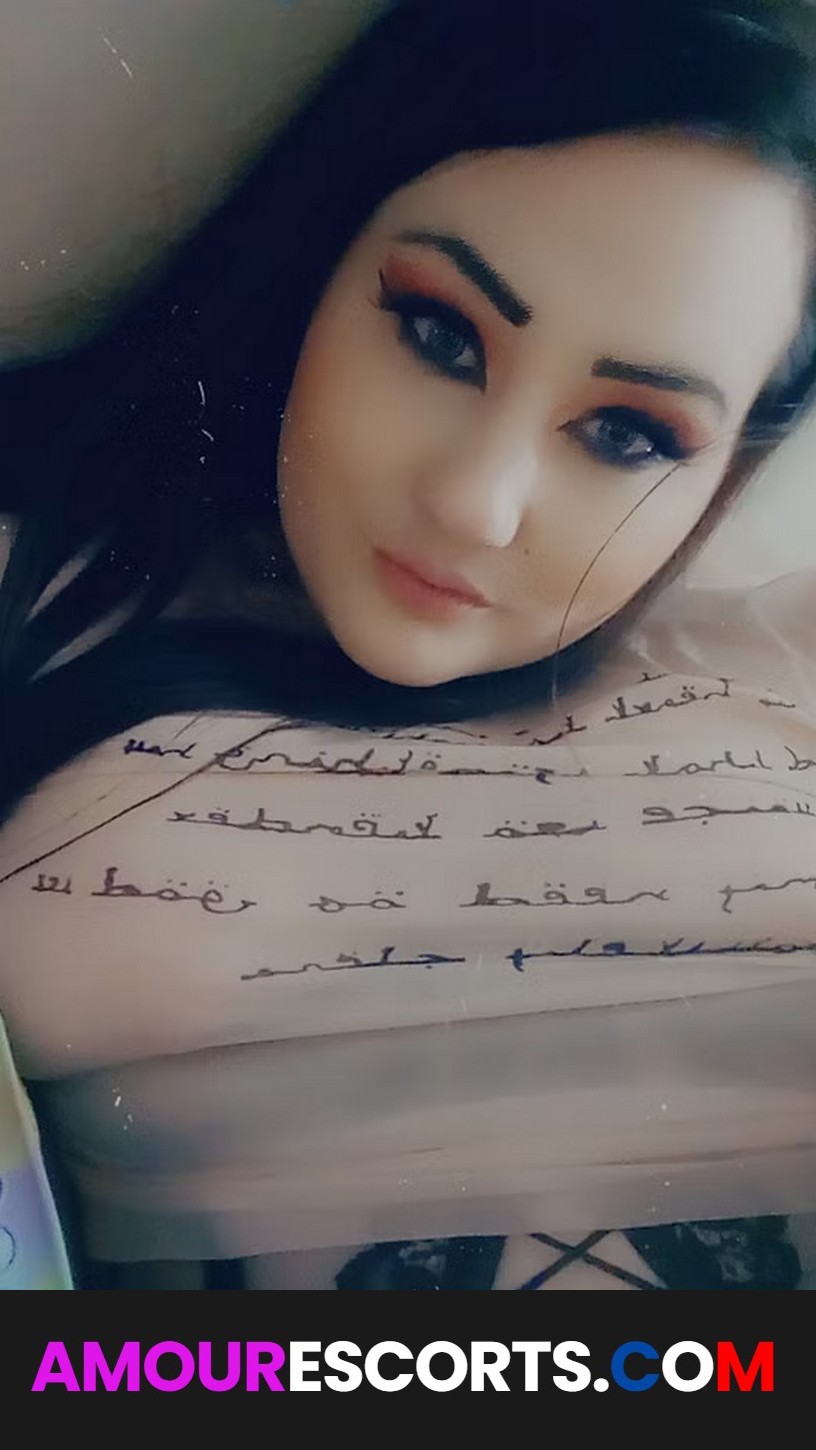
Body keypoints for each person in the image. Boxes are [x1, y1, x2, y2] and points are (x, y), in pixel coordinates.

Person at [0, 0, 815, 1290]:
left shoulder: (782, 653)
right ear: (320, 265)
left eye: (629, 435)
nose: (477, 504)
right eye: (441, 335)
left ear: (728, 472)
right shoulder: (48, 589)